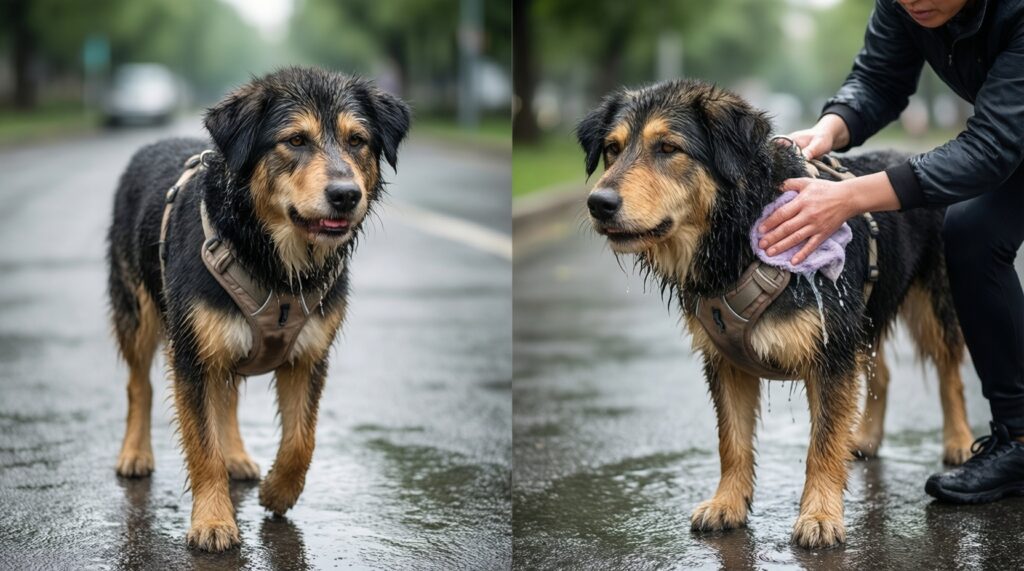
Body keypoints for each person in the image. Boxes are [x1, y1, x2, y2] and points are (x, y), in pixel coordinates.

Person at [757, 0, 1024, 504]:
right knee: (971, 231)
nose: (913, 1)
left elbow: (991, 147)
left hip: (1008, 137)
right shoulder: (907, 4)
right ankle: (1020, 437)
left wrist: (850, 197)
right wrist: (827, 131)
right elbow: (878, 80)